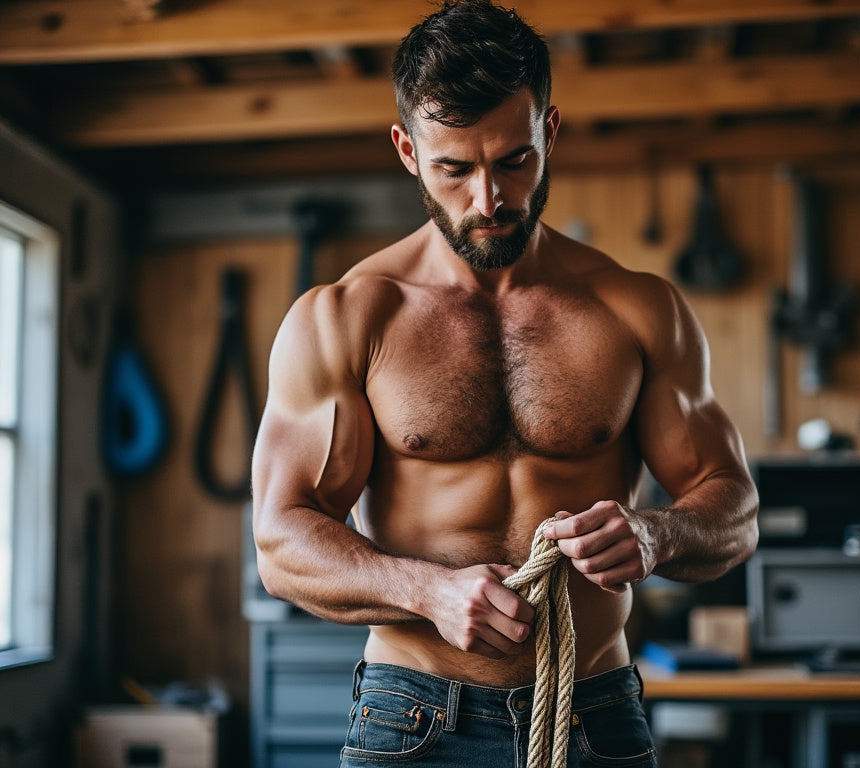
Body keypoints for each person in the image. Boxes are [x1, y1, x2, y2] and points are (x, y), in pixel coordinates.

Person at [251, 1, 759, 764]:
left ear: (548, 134)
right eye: (455, 168)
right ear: (408, 151)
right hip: (413, 715)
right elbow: (282, 541)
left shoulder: (637, 309)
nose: (488, 200)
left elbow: (735, 507)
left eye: (514, 161)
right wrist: (428, 591)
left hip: (594, 709)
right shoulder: (348, 318)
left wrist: (656, 534)